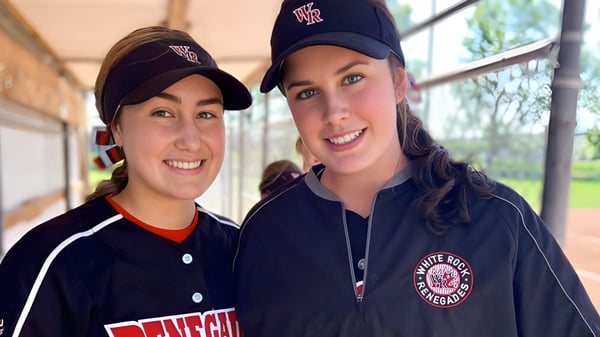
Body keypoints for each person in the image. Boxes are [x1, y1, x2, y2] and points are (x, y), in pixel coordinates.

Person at [233, 0, 600, 336]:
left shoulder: (494, 217)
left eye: (352, 78)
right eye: (307, 92)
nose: (334, 113)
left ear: (397, 82)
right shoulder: (264, 233)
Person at [0, 26, 251, 337]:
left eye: (206, 114)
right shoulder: (50, 261)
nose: (191, 139)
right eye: (162, 112)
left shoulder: (244, 248)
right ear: (116, 128)